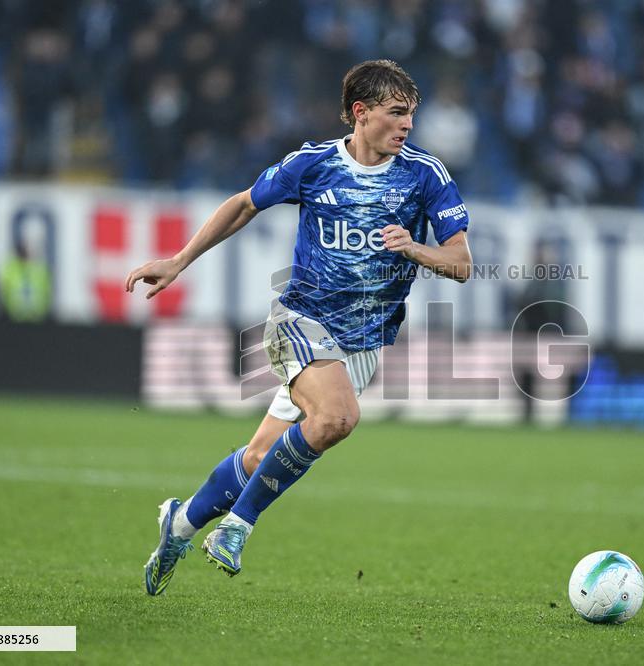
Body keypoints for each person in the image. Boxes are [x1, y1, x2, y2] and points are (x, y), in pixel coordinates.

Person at [126, 59, 473, 595]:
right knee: (337, 417)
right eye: (396, 113)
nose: (407, 125)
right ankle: (236, 529)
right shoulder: (314, 165)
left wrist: (414, 248)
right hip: (300, 320)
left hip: (362, 341)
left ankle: (179, 524)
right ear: (361, 113)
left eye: (411, 115)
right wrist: (178, 260)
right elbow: (244, 205)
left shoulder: (426, 175)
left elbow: (462, 264)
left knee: (263, 456)